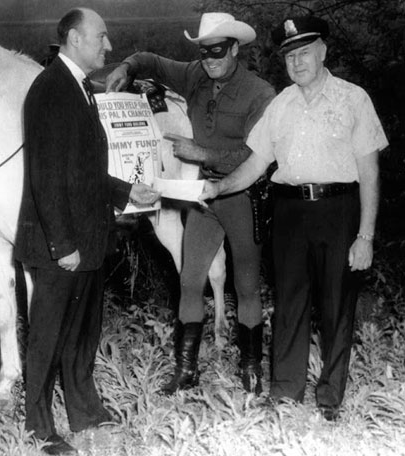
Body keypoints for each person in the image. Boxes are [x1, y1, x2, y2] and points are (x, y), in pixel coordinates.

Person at [199, 15, 388, 420]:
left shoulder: (354, 99)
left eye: (304, 52)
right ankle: (285, 392)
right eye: (290, 56)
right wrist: (218, 187)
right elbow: (255, 164)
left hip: (340, 210)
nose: (297, 62)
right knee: (288, 302)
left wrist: (365, 235)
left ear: (322, 52)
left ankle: (330, 398)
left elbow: (370, 173)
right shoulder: (280, 104)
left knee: (337, 305)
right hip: (288, 213)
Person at [105, 12, 275, 395]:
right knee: (189, 279)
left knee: (247, 285)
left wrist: (201, 152)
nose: (210, 59)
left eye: (217, 50)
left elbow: (257, 156)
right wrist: (126, 66)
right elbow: (150, 60)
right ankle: (186, 371)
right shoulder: (196, 75)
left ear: (234, 48)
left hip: (242, 195)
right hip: (203, 199)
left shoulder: (260, 93)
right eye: (203, 51)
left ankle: (251, 370)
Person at [14, 8, 159, 455]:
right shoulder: (50, 90)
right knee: (48, 337)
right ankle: (39, 428)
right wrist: (63, 245)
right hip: (63, 244)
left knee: (81, 333)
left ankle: (84, 409)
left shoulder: (78, 88)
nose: (108, 46)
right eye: (101, 37)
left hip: (87, 238)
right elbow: (45, 176)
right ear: (75, 38)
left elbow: (82, 170)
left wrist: (126, 192)